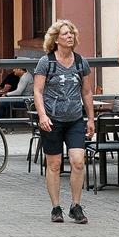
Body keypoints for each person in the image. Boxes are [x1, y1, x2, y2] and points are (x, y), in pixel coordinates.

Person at [33, 19, 95, 224]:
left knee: (78, 161)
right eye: (66, 34)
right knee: (54, 164)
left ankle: (76, 206)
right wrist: (42, 115)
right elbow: (38, 91)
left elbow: (86, 92)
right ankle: (55, 207)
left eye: (72, 33)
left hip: (75, 119)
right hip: (52, 120)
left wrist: (91, 119)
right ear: (56, 39)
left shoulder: (80, 62)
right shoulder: (46, 62)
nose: (70, 37)